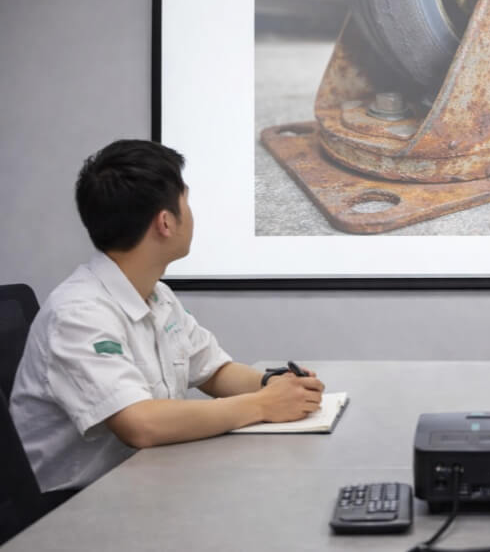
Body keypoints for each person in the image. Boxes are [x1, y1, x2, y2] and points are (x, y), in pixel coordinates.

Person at [10, 140, 325, 494]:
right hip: (74, 507)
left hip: (144, 482)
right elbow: (140, 424)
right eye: (185, 202)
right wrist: (263, 405)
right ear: (165, 222)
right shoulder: (78, 313)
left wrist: (274, 385)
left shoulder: (156, 294)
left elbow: (212, 370)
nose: (191, 214)